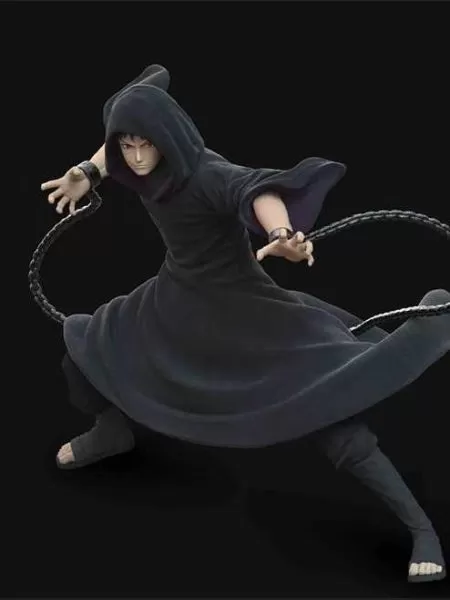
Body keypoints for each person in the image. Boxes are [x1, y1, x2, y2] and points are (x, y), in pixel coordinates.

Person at [40, 65, 448, 583]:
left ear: (168, 138)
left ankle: (421, 528)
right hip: (173, 300)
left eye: (146, 145)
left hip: (243, 311)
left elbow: (254, 190)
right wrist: (88, 170)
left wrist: (280, 232)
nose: (137, 158)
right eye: (128, 147)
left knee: (329, 416)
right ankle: (112, 430)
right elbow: (119, 136)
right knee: (83, 347)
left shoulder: (207, 174)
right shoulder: (134, 158)